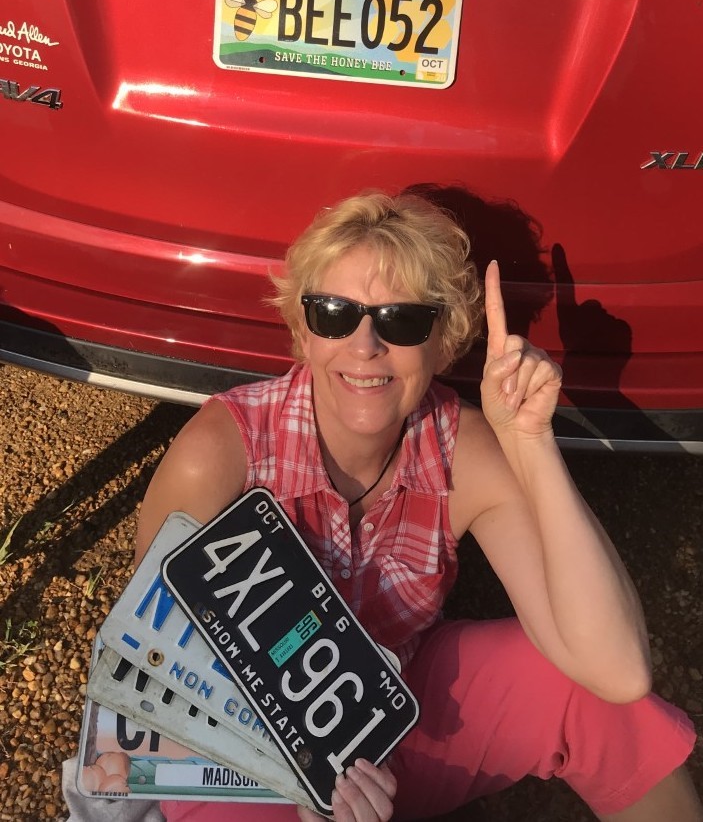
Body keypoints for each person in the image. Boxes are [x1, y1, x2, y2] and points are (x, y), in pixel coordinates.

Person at [136, 191, 701, 822]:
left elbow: (617, 672)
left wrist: (531, 445)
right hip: (242, 755)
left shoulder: (463, 448)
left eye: (401, 320)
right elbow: (150, 668)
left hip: (397, 717)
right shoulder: (221, 451)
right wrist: (306, 779)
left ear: (445, 341)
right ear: (302, 329)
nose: (365, 345)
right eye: (333, 313)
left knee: (601, 703)